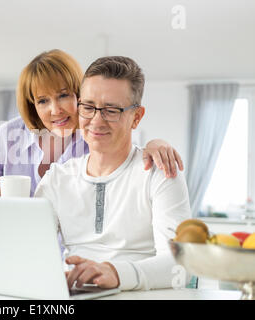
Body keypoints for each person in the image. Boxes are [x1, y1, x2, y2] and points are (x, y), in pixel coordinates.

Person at [34, 56, 191, 291]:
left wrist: (116, 273)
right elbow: (29, 253)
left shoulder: (159, 173)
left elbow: (181, 266)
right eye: (88, 107)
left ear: (136, 117)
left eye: (111, 110)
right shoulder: (56, 179)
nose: (96, 121)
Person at [0, 49, 184, 197]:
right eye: (43, 100)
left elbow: (128, 159)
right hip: (15, 251)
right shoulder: (4, 138)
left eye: (63, 95)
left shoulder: (95, 137)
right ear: (32, 104)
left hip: (75, 261)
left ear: (80, 94)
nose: (56, 110)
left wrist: (156, 144)